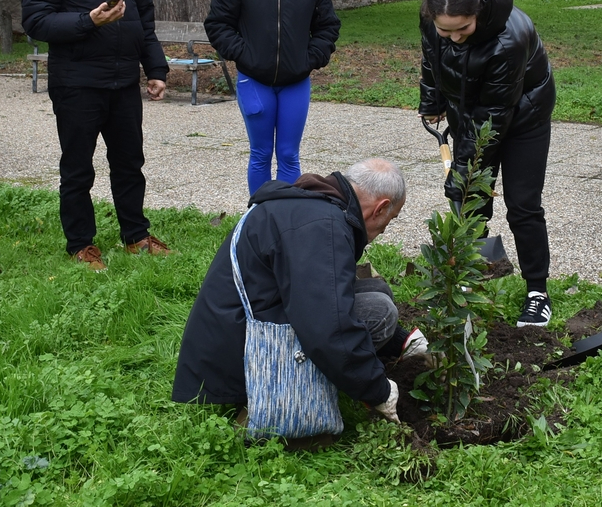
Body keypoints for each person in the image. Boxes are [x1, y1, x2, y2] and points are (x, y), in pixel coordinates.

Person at [172, 158, 421, 431]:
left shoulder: (315, 203)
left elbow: (324, 294)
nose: (384, 230)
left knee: (377, 291)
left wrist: (400, 340)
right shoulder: (323, 227)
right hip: (240, 358)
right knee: (378, 309)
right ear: (381, 207)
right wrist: (378, 392)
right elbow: (329, 328)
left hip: (231, 330)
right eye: (391, 220)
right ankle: (268, 399)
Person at [21, 0, 171, 272]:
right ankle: (81, 245)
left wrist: (155, 67)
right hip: (77, 83)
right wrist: (88, 21)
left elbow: (144, 14)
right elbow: (35, 21)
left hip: (123, 81)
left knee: (129, 163)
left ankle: (136, 235)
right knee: (77, 168)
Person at [419, 0, 557, 327]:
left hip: (524, 116)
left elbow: (492, 122)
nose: (454, 38)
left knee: (523, 204)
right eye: (444, 30)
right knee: (471, 201)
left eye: (462, 29)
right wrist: (432, 100)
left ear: (478, 12)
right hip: (471, 111)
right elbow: (432, 62)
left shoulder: (509, 39)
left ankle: (537, 293)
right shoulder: (432, 20)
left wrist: (462, 173)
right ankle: (466, 280)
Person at [204, 0, 341, 195]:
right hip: (254, 81)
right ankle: (259, 216)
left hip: (295, 82)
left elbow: (328, 27)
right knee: (261, 154)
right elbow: (218, 23)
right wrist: (243, 54)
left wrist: (310, 58)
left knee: (290, 155)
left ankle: (287, 218)